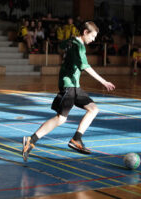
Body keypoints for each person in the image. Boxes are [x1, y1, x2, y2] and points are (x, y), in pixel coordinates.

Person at [22, 21, 115, 162]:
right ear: (85, 32)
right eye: (93, 36)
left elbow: (61, 45)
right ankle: (31, 139)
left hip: (75, 85)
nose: (94, 39)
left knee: (93, 109)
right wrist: (103, 81)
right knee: (61, 118)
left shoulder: (72, 40)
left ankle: (76, 139)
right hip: (69, 85)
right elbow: (86, 67)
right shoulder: (79, 47)